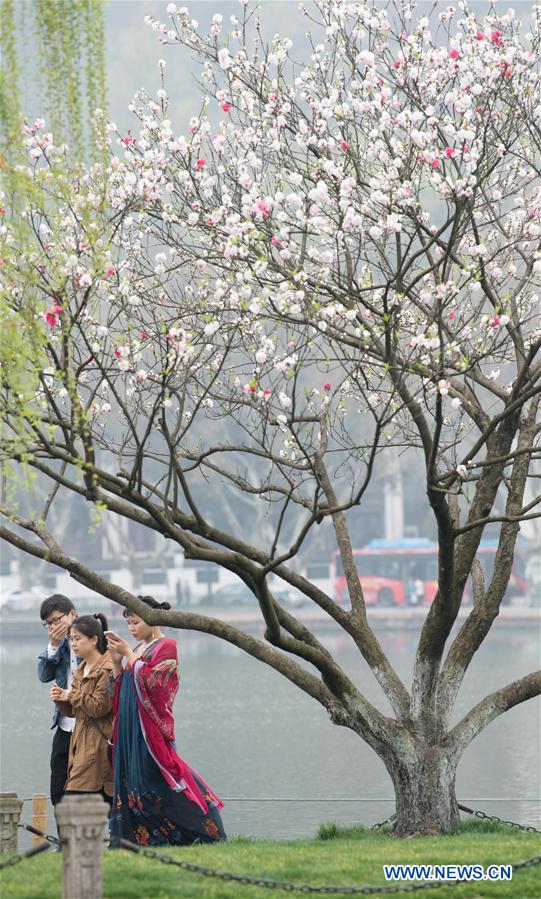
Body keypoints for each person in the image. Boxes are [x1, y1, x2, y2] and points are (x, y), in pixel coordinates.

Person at [106, 596, 226, 845]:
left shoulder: (166, 646)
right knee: (133, 781)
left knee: (158, 776)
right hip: (129, 727)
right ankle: (138, 840)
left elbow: (157, 686)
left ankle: (201, 831)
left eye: (135, 622)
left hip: (148, 729)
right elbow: (120, 690)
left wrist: (128, 654)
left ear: (152, 618)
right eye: (128, 623)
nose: (131, 628)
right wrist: (118, 663)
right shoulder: (137, 650)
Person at [49, 614, 114, 807]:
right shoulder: (80, 670)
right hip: (79, 744)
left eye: (78, 639)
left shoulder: (107, 669)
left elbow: (99, 707)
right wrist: (61, 699)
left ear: (94, 640)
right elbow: (76, 711)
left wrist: (69, 696)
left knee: (79, 798)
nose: (73, 644)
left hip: (99, 744)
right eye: (71, 639)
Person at [38, 594, 79, 807]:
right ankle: (66, 838)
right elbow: (43, 675)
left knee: (89, 783)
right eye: (48, 623)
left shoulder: (93, 639)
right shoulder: (60, 645)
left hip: (89, 724)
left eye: (56, 620)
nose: (53, 626)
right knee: (58, 784)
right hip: (64, 725)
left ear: (73, 615)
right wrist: (53, 645)